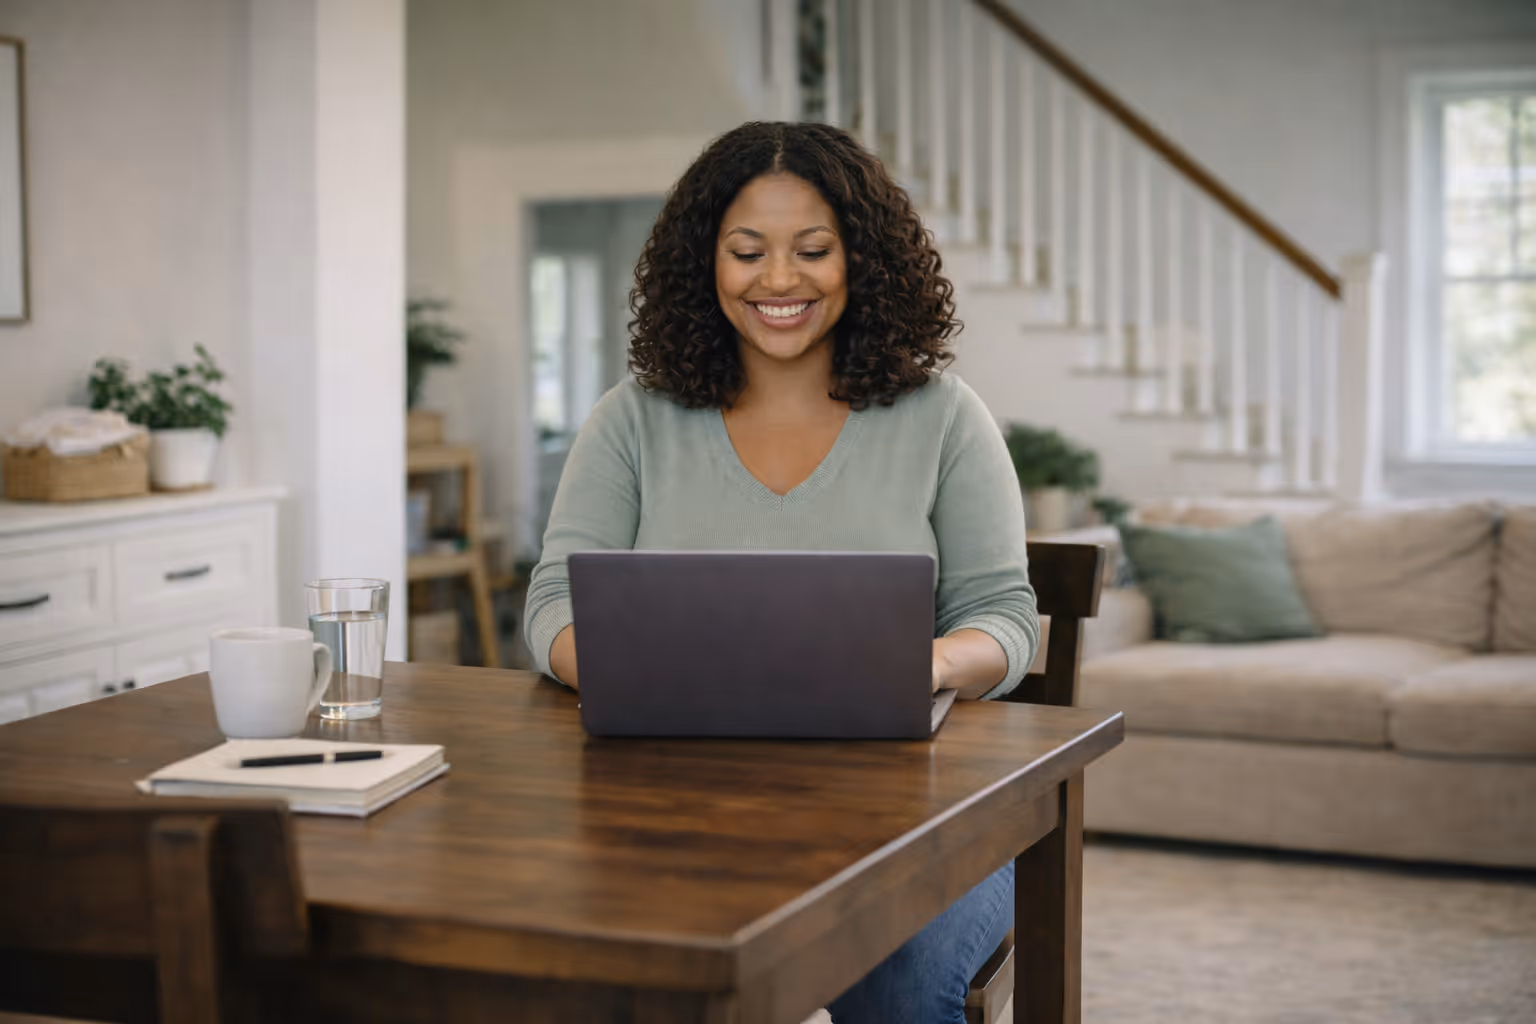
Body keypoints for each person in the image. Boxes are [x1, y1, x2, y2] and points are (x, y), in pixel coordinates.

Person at [523, 120, 1039, 1024]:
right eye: (747, 251)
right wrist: (622, 668)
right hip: (680, 806)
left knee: (893, 977)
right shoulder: (632, 417)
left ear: (862, 261)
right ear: (705, 264)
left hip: (920, 818)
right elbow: (555, 600)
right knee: (581, 953)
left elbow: (1005, 618)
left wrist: (933, 663)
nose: (778, 280)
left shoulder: (946, 418)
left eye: (813, 250)